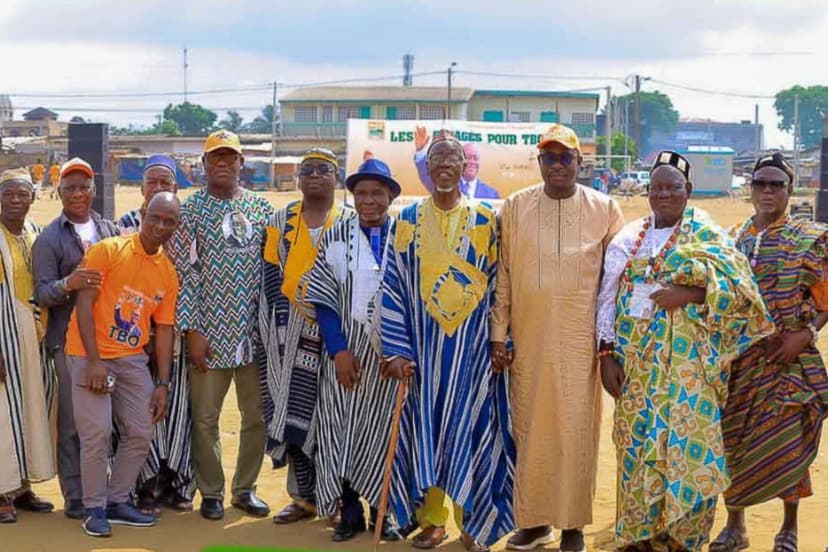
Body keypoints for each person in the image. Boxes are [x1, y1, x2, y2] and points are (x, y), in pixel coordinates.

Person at [595, 151, 774, 552]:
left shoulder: (707, 233)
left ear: (688, 191)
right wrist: (606, 354)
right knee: (638, 445)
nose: (664, 194)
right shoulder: (628, 238)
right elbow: (607, 298)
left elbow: (741, 292)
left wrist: (688, 294)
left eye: (672, 187)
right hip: (636, 365)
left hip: (691, 369)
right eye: (656, 187)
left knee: (689, 445)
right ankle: (639, 534)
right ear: (647, 191)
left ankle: (682, 536)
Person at [491, 124, 624, 552]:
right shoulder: (514, 208)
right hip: (527, 342)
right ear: (540, 163)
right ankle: (534, 521)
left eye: (566, 157)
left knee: (576, 432)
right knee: (529, 429)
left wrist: (608, 345)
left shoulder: (605, 208)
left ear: (580, 163)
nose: (558, 165)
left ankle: (572, 525)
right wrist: (499, 334)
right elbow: (504, 275)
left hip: (580, 344)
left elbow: (615, 283)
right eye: (550, 157)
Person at [380, 135, 514, 551]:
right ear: (426, 167)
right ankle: (433, 522)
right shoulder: (407, 221)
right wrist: (398, 349)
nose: (444, 167)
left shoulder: (485, 220)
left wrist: (499, 339)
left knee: (471, 430)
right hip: (423, 354)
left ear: (464, 166)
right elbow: (393, 288)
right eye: (436, 159)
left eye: (451, 159)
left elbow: (500, 286)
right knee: (427, 433)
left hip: (472, 354)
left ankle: (471, 522)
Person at [710, 153, 828, 552]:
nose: (767, 190)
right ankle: (735, 526)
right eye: (760, 182)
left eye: (776, 184)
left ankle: (789, 527)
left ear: (789, 190)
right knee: (734, 440)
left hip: (788, 360)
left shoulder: (807, 238)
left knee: (789, 441)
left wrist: (806, 334)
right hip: (739, 363)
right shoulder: (732, 239)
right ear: (750, 188)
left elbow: (825, 299)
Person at [169, 130, 273, 521]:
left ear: (242, 163)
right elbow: (184, 275)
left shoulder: (262, 209)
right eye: (216, 158)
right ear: (205, 164)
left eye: (230, 157)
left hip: (253, 338)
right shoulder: (190, 211)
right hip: (209, 336)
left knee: (256, 418)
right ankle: (210, 491)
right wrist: (192, 329)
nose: (224, 163)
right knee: (207, 418)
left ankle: (245, 489)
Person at [64, 192, 181, 537]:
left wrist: (162, 382)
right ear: (143, 213)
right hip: (89, 353)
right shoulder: (108, 251)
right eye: (155, 217)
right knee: (97, 433)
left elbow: (163, 330)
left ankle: (117, 500)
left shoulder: (167, 273)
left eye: (169, 221)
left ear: (176, 225)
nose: (160, 226)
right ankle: (94, 507)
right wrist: (94, 362)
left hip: (130, 359)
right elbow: (84, 306)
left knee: (141, 430)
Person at [301, 158, 402, 542]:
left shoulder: (406, 238)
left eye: (377, 193)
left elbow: (412, 300)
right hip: (346, 358)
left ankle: (383, 511)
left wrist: (399, 351)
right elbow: (324, 301)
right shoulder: (337, 236)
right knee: (339, 430)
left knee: (382, 433)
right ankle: (348, 512)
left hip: (388, 359)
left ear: (391, 196)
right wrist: (339, 351)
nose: (369, 200)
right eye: (361, 193)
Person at [260, 147, 355, 524]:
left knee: (333, 417)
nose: (315, 175)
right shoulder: (279, 219)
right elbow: (269, 278)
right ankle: (303, 498)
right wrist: (272, 330)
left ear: (336, 177)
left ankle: (334, 498)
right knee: (292, 412)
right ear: (298, 178)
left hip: (336, 335)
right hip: (287, 332)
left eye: (324, 170)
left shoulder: (349, 221)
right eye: (308, 170)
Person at [33, 157, 119, 520]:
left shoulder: (110, 231)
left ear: (94, 190)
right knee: (71, 422)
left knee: (105, 420)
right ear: (59, 192)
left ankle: (102, 489)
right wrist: (70, 283)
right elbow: (41, 293)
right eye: (70, 188)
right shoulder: (49, 239)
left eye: (84, 186)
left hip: (106, 343)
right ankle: (75, 494)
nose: (78, 193)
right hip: (67, 345)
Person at [116, 154, 194, 514]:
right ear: (142, 187)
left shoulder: (184, 227)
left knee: (175, 410)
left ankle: (172, 481)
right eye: (153, 182)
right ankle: (144, 486)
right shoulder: (123, 228)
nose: (160, 188)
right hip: (131, 337)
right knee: (140, 413)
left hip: (173, 336)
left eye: (167, 182)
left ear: (175, 186)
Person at [0, 168, 55, 524]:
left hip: (30, 332)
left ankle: (21, 487)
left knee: (29, 409)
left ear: (33, 199)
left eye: (22, 194)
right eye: (8, 194)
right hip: (3, 334)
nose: (16, 200)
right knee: (3, 413)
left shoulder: (34, 234)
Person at [413, 126, 500, 199]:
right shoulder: (445, 185)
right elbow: (425, 172)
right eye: (468, 157)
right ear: (462, 162)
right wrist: (420, 150)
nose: (472, 162)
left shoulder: (492, 194)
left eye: (475, 158)